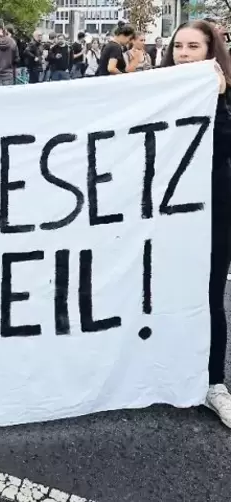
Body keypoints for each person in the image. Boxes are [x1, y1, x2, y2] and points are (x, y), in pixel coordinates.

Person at [161, 20, 231, 428]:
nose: (184, 53)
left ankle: (213, 383)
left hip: (215, 207)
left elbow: (223, 146)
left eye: (193, 47)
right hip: (164, 211)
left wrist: (219, 100)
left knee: (207, 292)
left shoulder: (225, 93)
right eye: (178, 47)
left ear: (210, 52)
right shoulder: (156, 92)